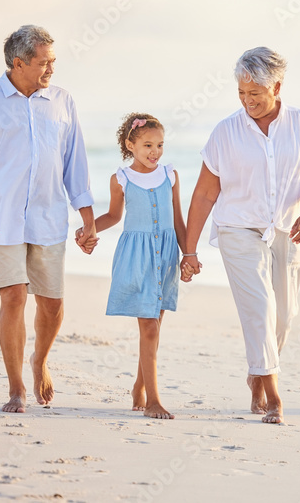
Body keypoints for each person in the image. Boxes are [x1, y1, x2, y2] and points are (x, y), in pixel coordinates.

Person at [0, 25, 97, 413]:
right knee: (14, 296)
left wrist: (88, 220)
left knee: (53, 305)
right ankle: (15, 388)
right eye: (44, 62)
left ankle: (39, 360)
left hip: (49, 216)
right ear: (18, 62)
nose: (51, 69)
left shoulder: (62, 102)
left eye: (53, 61)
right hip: (1, 215)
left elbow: (76, 164)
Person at [182, 47, 300, 425]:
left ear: (277, 86)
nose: (248, 101)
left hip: (289, 228)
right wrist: (190, 250)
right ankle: (273, 395)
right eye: (242, 94)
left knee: (284, 316)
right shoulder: (225, 132)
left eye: (256, 94)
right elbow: (204, 194)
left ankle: (257, 372)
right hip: (238, 228)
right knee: (260, 309)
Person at [76, 114, 188, 420]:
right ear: (131, 145)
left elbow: (178, 220)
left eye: (160, 145)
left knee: (155, 326)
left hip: (165, 256)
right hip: (137, 257)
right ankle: (153, 399)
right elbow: (113, 216)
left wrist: (188, 254)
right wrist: (89, 228)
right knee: (149, 326)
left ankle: (139, 385)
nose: (155, 152)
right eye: (148, 145)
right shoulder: (121, 179)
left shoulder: (170, 175)